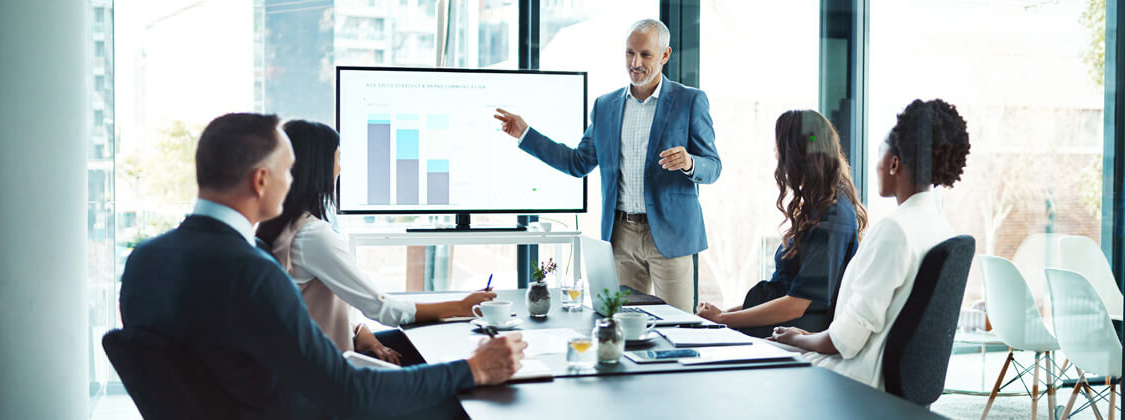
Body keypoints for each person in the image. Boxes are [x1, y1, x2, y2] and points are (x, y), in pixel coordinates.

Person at [120, 113, 527, 419]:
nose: (291, 180)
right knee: (464, 406)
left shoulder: (143, 259)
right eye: (286, 170)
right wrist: (472, 368)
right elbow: (347, 392)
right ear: (262, 180)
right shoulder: (255, 273)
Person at [493, 19, 720, 312]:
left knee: (677, 326)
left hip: (670, 235)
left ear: (665, 55)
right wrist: (526, 133)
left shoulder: (690, 101)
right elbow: (578, 163)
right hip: (620, 236)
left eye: (646, 55)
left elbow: (713, 166)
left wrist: (689, 162)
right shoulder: (605, 106)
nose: (635, 63)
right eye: (629, 53)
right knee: (622, 324)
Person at [256, 120, 496, 365]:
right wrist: (461, 307)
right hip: (329, 373)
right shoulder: (312, 236)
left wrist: (359, 330)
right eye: (338, 159)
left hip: (310, 360)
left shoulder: (280, 227)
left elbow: (310, 307)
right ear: (319, 167)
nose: (340, 169)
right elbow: (383, 309)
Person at [771, 99, 971, 389]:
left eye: (880, 152)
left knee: (752, 359)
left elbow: (846, 342)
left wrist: (798, 339)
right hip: (883, 379)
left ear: (893, 163)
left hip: (854, 379)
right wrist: (803, 338)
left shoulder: (895, 230)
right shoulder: (940, 227)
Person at [695, 110, 866, 337]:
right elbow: (784, 293)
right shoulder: (819, 207)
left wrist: (724, 319)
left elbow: (796, 304)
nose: (776, 156)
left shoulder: (833, 216)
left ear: (796, 157)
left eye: (780, 151)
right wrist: (722, 314)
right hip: (782, 326)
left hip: (792, 333)